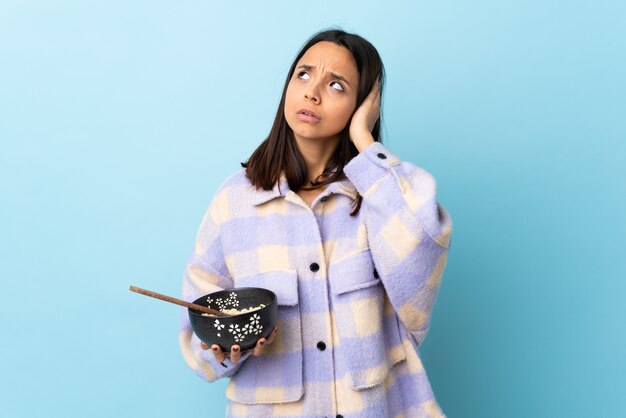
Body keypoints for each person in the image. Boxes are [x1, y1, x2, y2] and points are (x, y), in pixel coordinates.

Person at [179, 27, 453, 418]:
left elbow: (420, 273)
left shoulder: (377, 197)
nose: (312, 92)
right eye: (303, 75)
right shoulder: (234, 202)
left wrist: (364, 141)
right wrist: (223, 350)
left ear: (363, 105)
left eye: (337, 85)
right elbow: (197, 344)